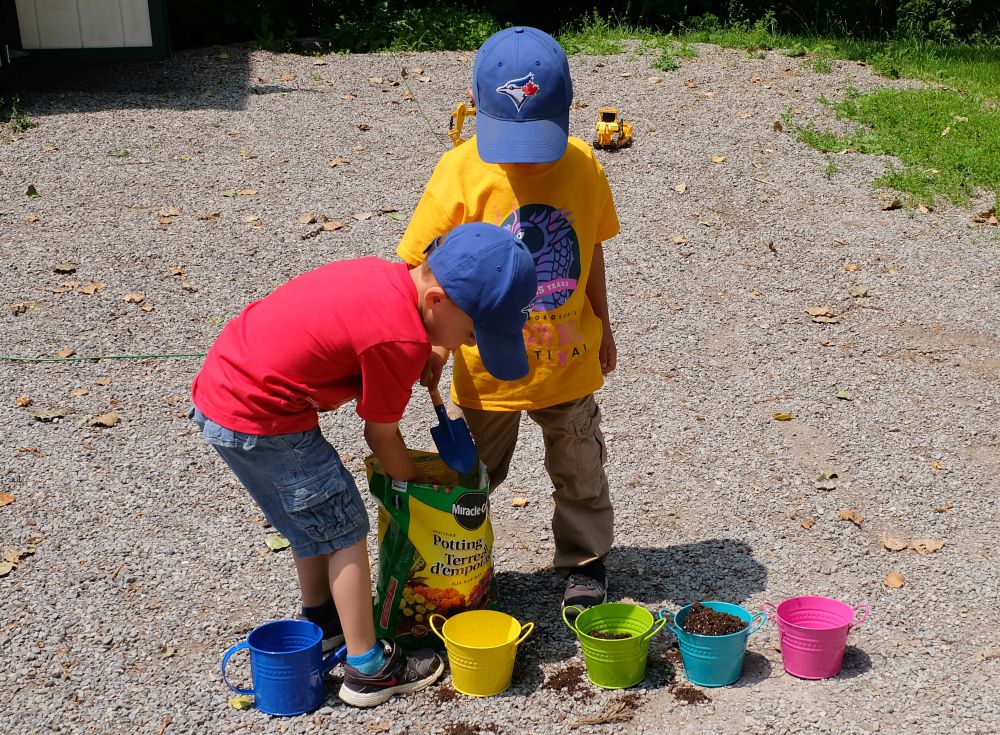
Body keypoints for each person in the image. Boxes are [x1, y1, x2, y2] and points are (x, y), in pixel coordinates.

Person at [190, 222, 537, 707]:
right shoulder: (398, 342)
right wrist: (417, 494)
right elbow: (379, 434)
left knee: (309, 520)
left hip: (228, 393)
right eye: (473, 332)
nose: (470, 344)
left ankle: (326, 623)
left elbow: (366, 336)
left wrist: (433, 347)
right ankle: (367, 668)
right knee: (344, 527)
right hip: (263, 412)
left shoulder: (388, 283)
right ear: (437, 301)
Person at [397, 26, 621, 611]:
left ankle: (585, 561)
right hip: (482, 368)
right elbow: (425, 276)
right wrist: (433, 350)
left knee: (580, 469)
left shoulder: (584, 168)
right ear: (477, 107)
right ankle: (456, 564)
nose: (522, 156)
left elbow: (590, 250)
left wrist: (605, 320)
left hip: (567, 362)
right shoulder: (458, 172)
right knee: (472, 475)